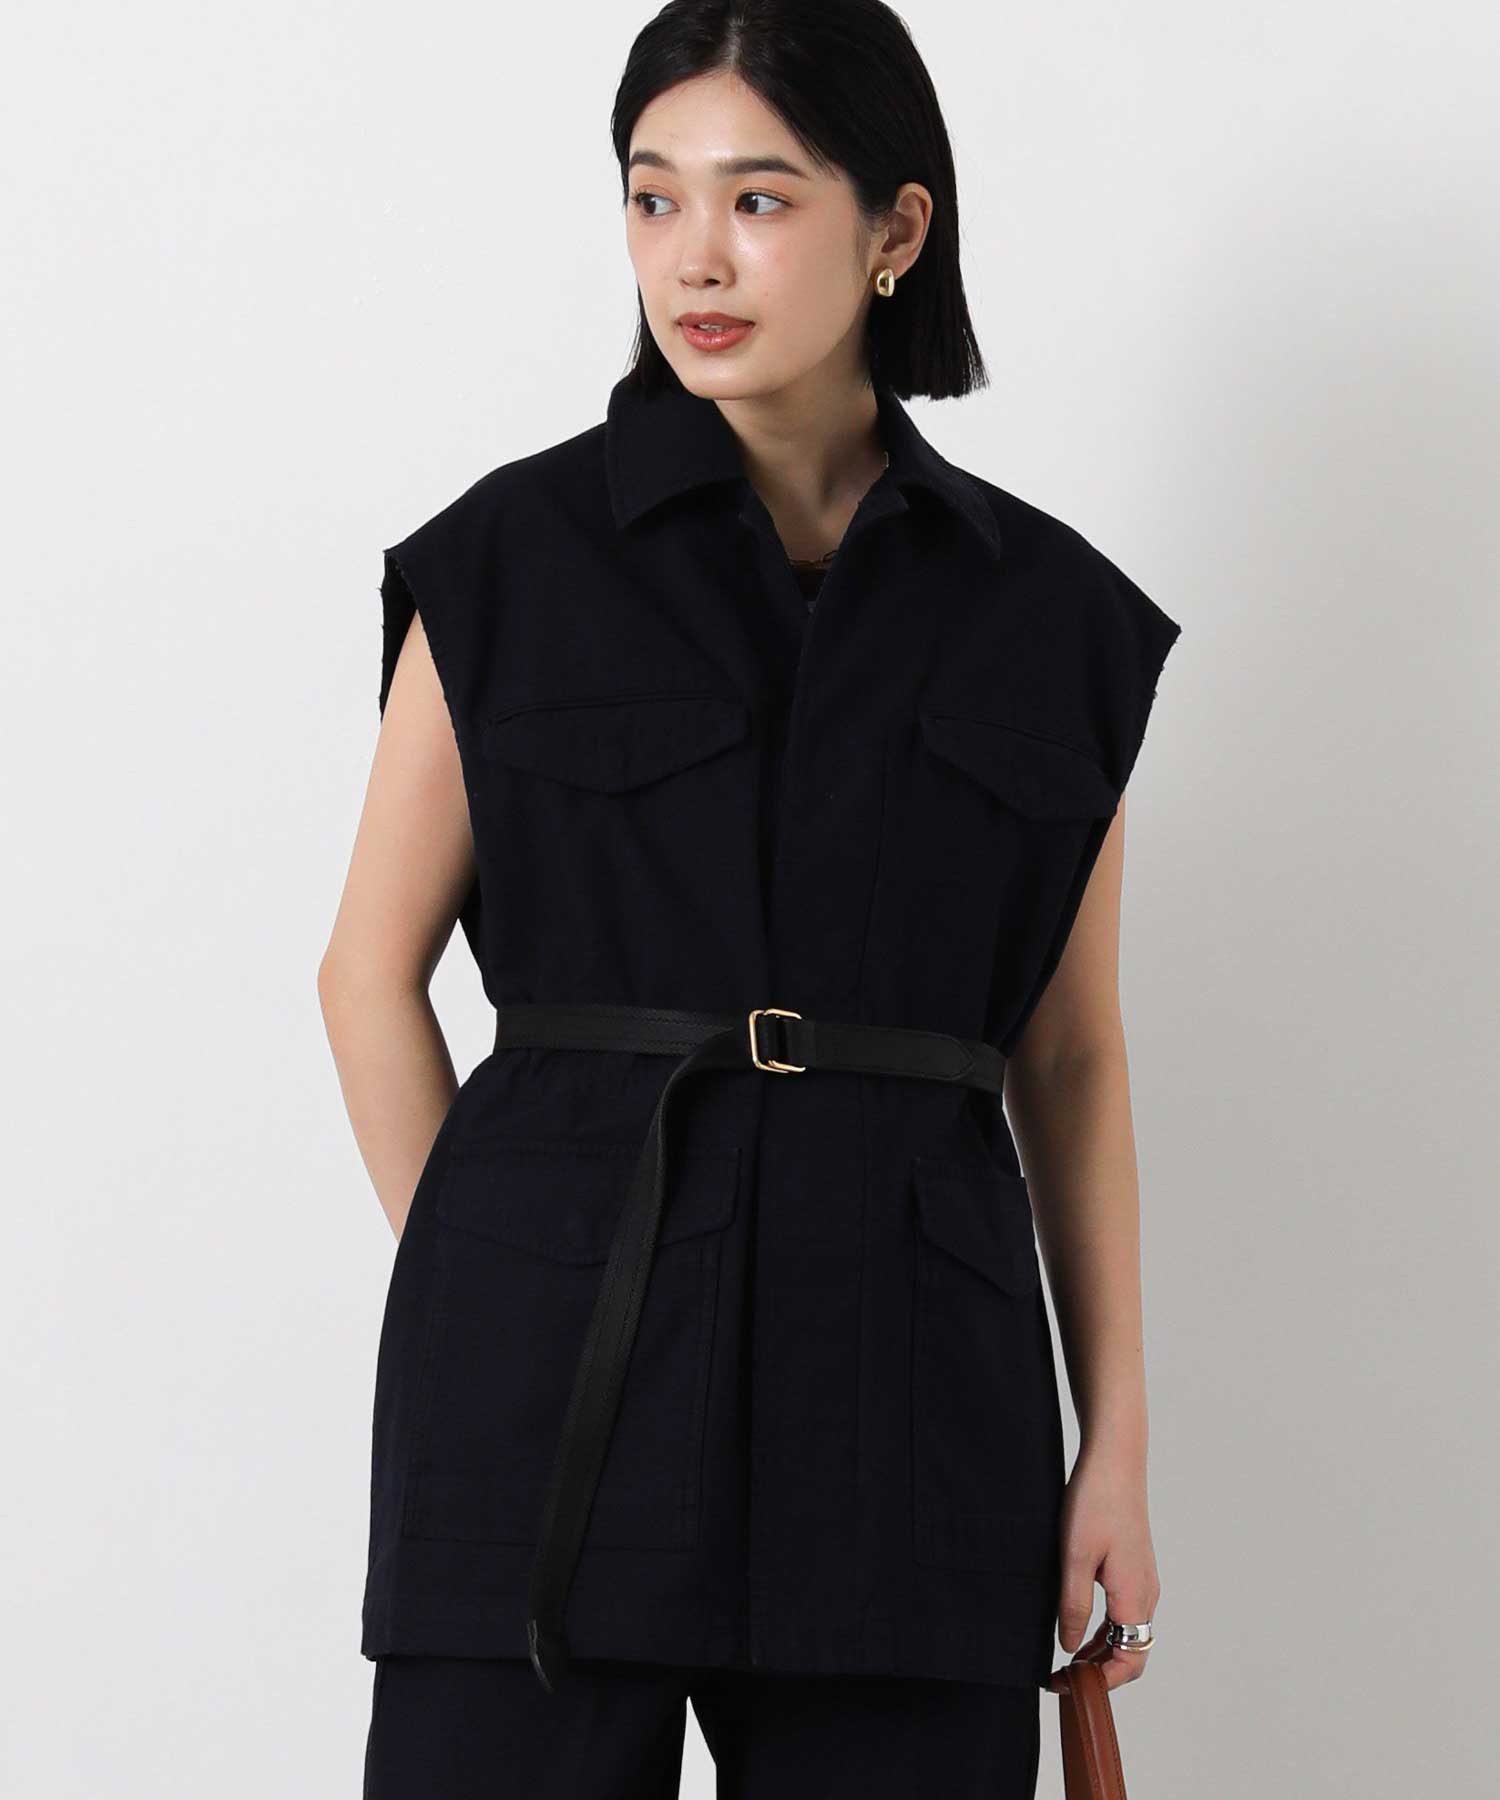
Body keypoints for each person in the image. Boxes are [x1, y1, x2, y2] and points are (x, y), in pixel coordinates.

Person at [318, 4, 1178, 1794]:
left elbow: (1073, 1055)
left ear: (896, 229)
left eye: (759, 199)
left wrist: (1117, 1443)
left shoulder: (1054, 620)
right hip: (545, 1428)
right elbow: (366, 974)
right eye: (654, 197)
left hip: (915, 1418)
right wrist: (506, 1287)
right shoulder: (506, 566)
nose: (693, 257)